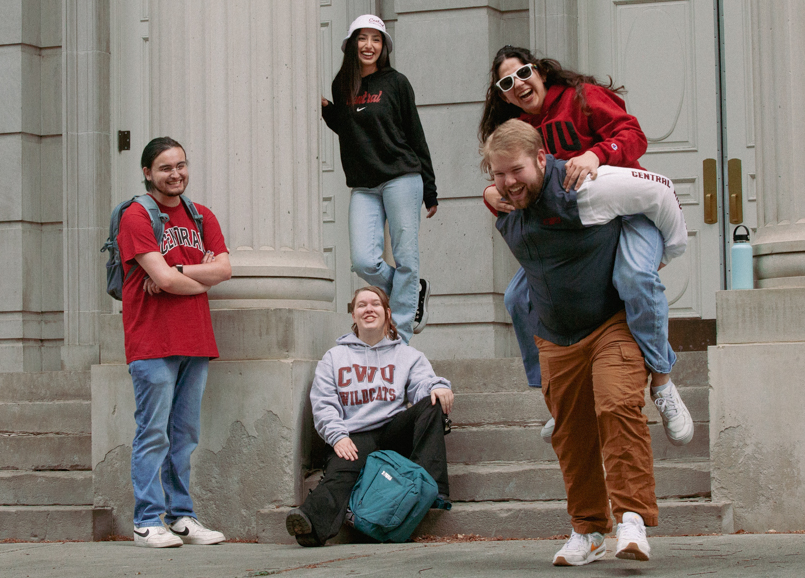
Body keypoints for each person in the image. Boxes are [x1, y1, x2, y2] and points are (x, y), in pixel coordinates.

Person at [484, 119, 687, 566]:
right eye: (497, 174)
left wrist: (664, 255)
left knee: (616, 407)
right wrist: (494, 192)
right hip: (555, 334)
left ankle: (631, 519)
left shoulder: (588, 185)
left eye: (515, 170)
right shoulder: (502, 199)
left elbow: (662, 190)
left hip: (611, 322)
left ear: (541, 158)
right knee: (571, 436)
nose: (507, 183)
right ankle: (588, 531)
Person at [478, 46, 692, 446]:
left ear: (539, 71)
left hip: (627, 208)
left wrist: (597, 154)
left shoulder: (582, 97)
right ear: (503, 94)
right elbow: (517, 188)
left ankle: (662, 382)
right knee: (517, 298)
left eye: (523, 73)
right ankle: (556, 400)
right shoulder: (521, 130)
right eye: (506, 83)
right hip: (579, 229)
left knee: (634, 277)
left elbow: (634, 136)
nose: (518, 84)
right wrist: (491, 192)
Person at [118, 137, 232, 548]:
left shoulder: (202, 216)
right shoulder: (136, 216)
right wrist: (191, 275)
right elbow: (161, 280)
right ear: (148, 172)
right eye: (166, 167)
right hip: (152, 342)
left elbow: (223, 270)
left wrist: (178, 268)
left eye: (181, 165)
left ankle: (181, 516)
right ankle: (147, 520)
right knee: (153, 433)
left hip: (195, 340)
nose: (176, 173)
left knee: (183, 435)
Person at [285, 286, 453, 547]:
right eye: (361, 305)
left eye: (375, 304)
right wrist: (337, 436)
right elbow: (323, 403)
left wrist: (437, 386)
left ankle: (431, 489)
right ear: (354, 315)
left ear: (387, 314)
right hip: (354, 436)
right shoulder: (335, 357)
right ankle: (309, 525)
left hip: (393, 432)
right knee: (342, 471)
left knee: (432, 403)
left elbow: (422, 383)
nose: (368, 309)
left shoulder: (406, 355)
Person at [321, 14, 437, 344]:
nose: (369, 45)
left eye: (376, 39)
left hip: (402, 176)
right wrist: (324, 109)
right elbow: (350, 127)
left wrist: (430, 189)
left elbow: (416, 134)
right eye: (362, 38)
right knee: (363, 261)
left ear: (383, 46)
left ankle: (398, 338)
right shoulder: (342, 85)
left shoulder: (396, 82)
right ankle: (413, 289)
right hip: (365, 184)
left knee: (406, 258)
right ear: (352, 43)